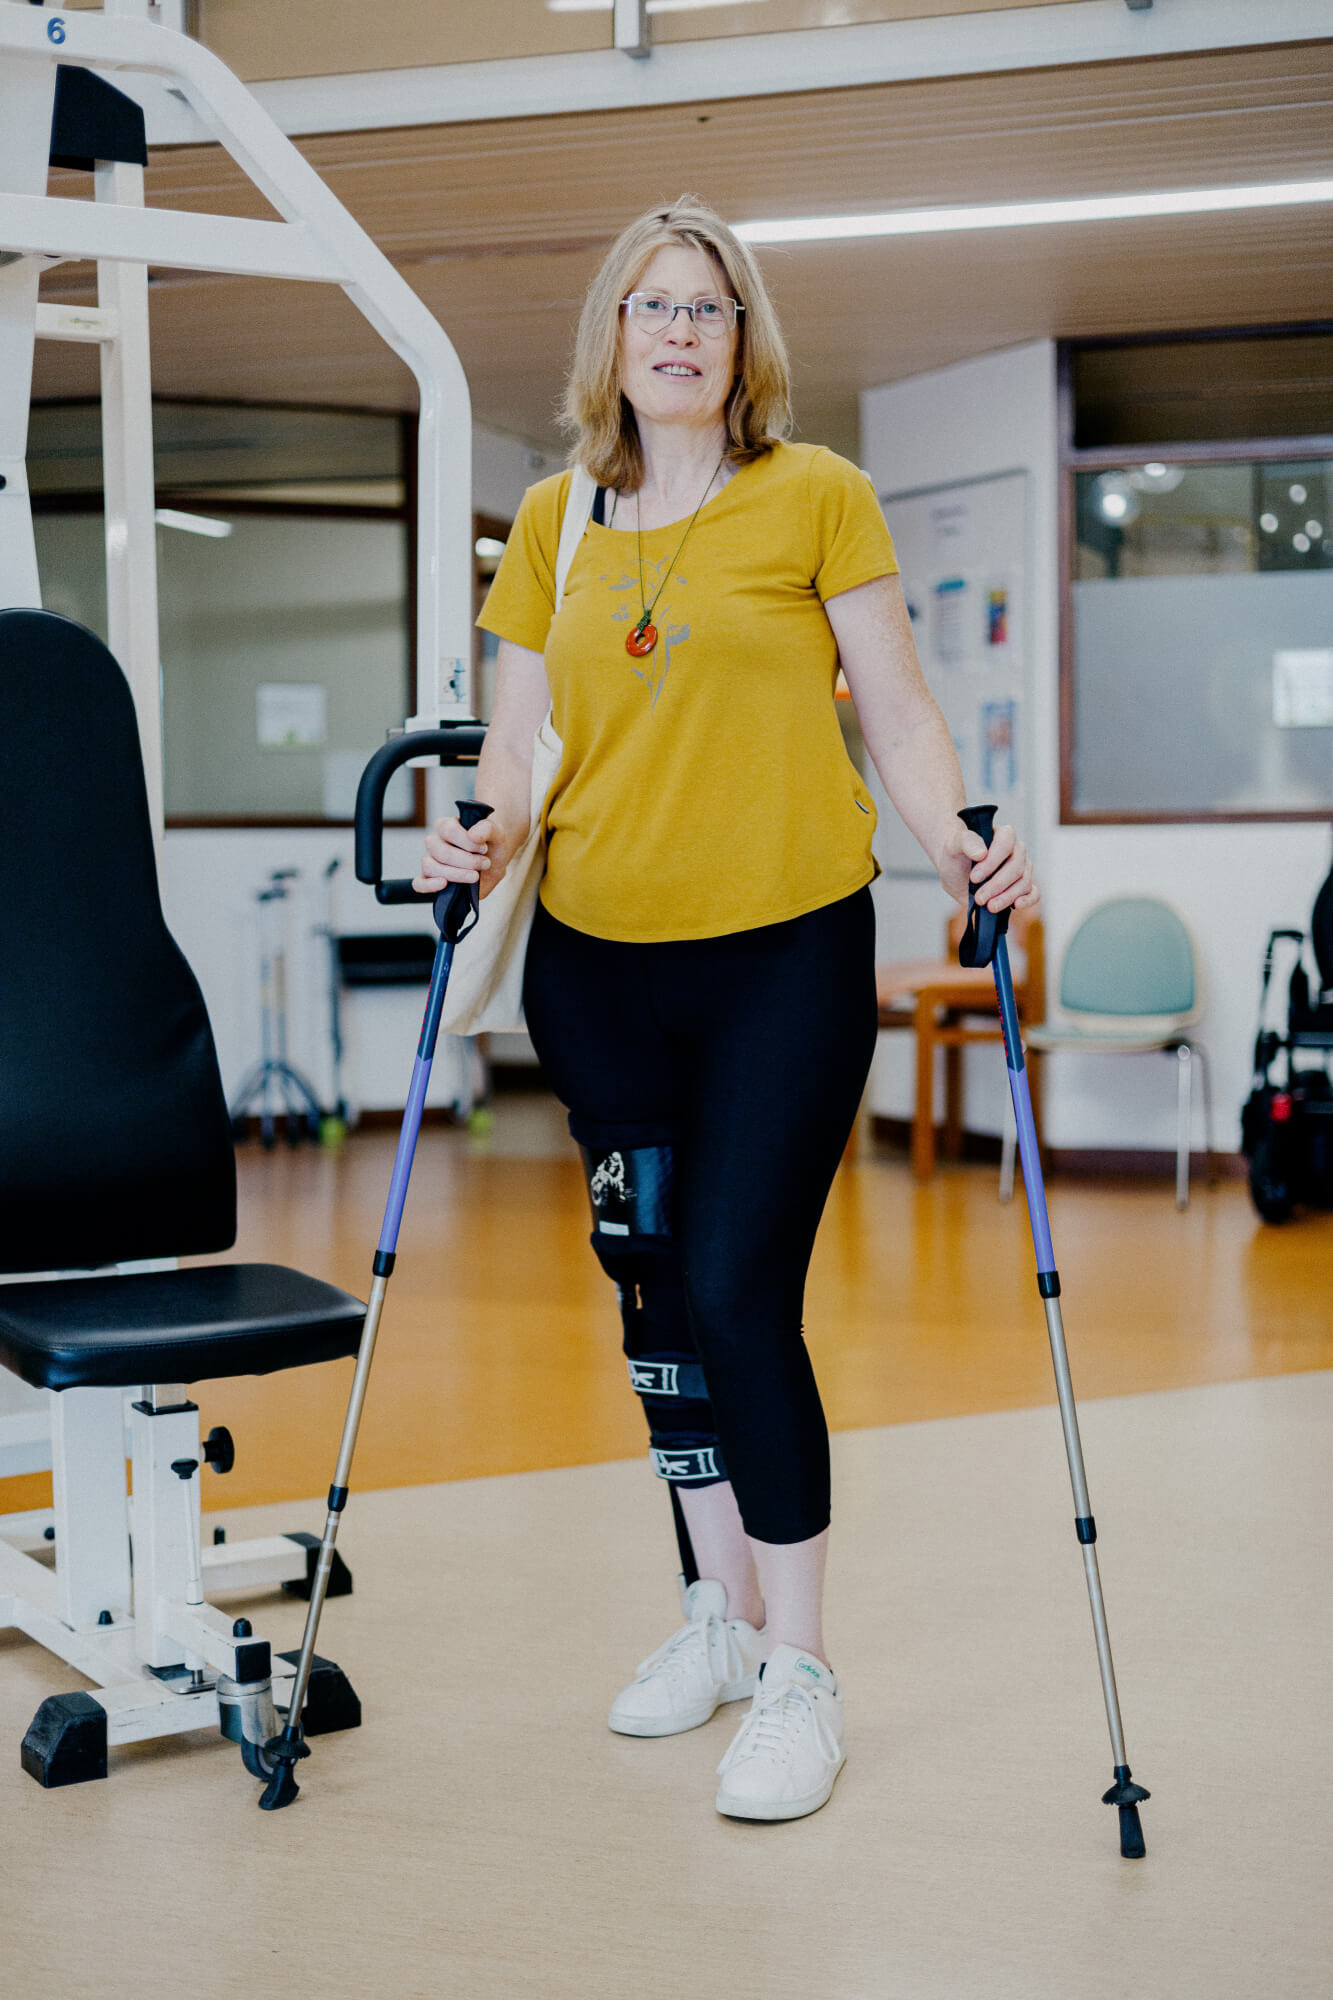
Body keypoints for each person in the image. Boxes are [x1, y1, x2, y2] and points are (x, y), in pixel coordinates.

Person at [416, 194, 1038, 1823]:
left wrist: (961, 843)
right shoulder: (552, 520)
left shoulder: (815, 496)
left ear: (741, 340)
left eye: (707, 308)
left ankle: (804, 1670)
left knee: (737, 1287)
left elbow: (897, 715)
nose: (678, 333)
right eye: (650, 307)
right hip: (597, 966)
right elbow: (518, 754)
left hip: (782, 956)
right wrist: (476, 834)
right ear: (609, 341)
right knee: (651, 1302)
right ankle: (720, 1615)